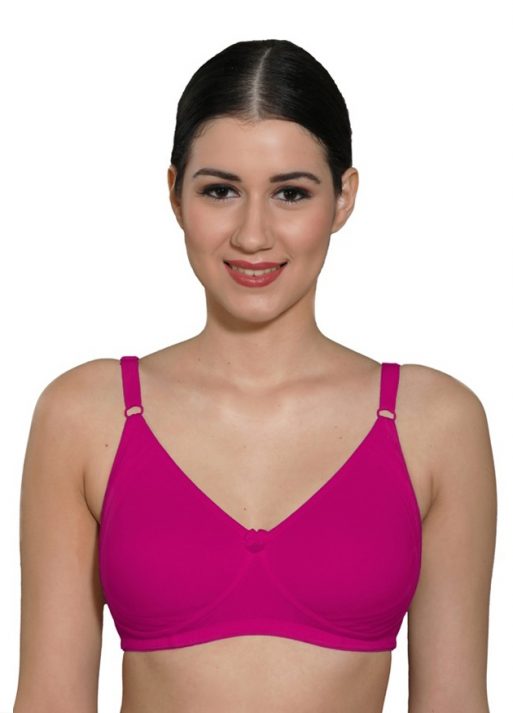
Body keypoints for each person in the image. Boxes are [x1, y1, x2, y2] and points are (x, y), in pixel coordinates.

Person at [13, 38, 496, 713]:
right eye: (220, 191)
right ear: (175, 194)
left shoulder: (435, 421)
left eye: (291, 193)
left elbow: (454, 702)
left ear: (344, 198)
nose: (252, 234)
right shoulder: (86, 415)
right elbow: (49, 700)